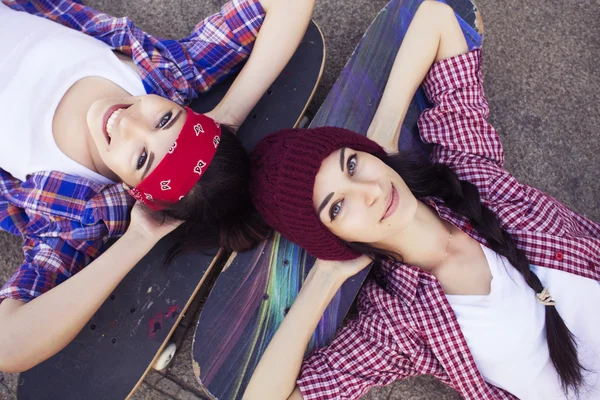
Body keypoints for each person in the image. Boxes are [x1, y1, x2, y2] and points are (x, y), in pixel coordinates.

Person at [244, 1, 600, 399]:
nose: (372, 191)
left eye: (352, 164)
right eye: (338, 206)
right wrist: (324, 278)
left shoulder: (466, 167)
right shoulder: (397, 324)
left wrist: (384, 129)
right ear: (331, 238)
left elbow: (436, 17)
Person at [0, 0, 314, 372]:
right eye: (165, 119)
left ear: (136, 192)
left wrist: (137, 241)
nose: (128, 124)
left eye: (141, 159)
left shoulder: (75, 214)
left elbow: (9, 347)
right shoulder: (167, 75)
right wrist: (229, 115)